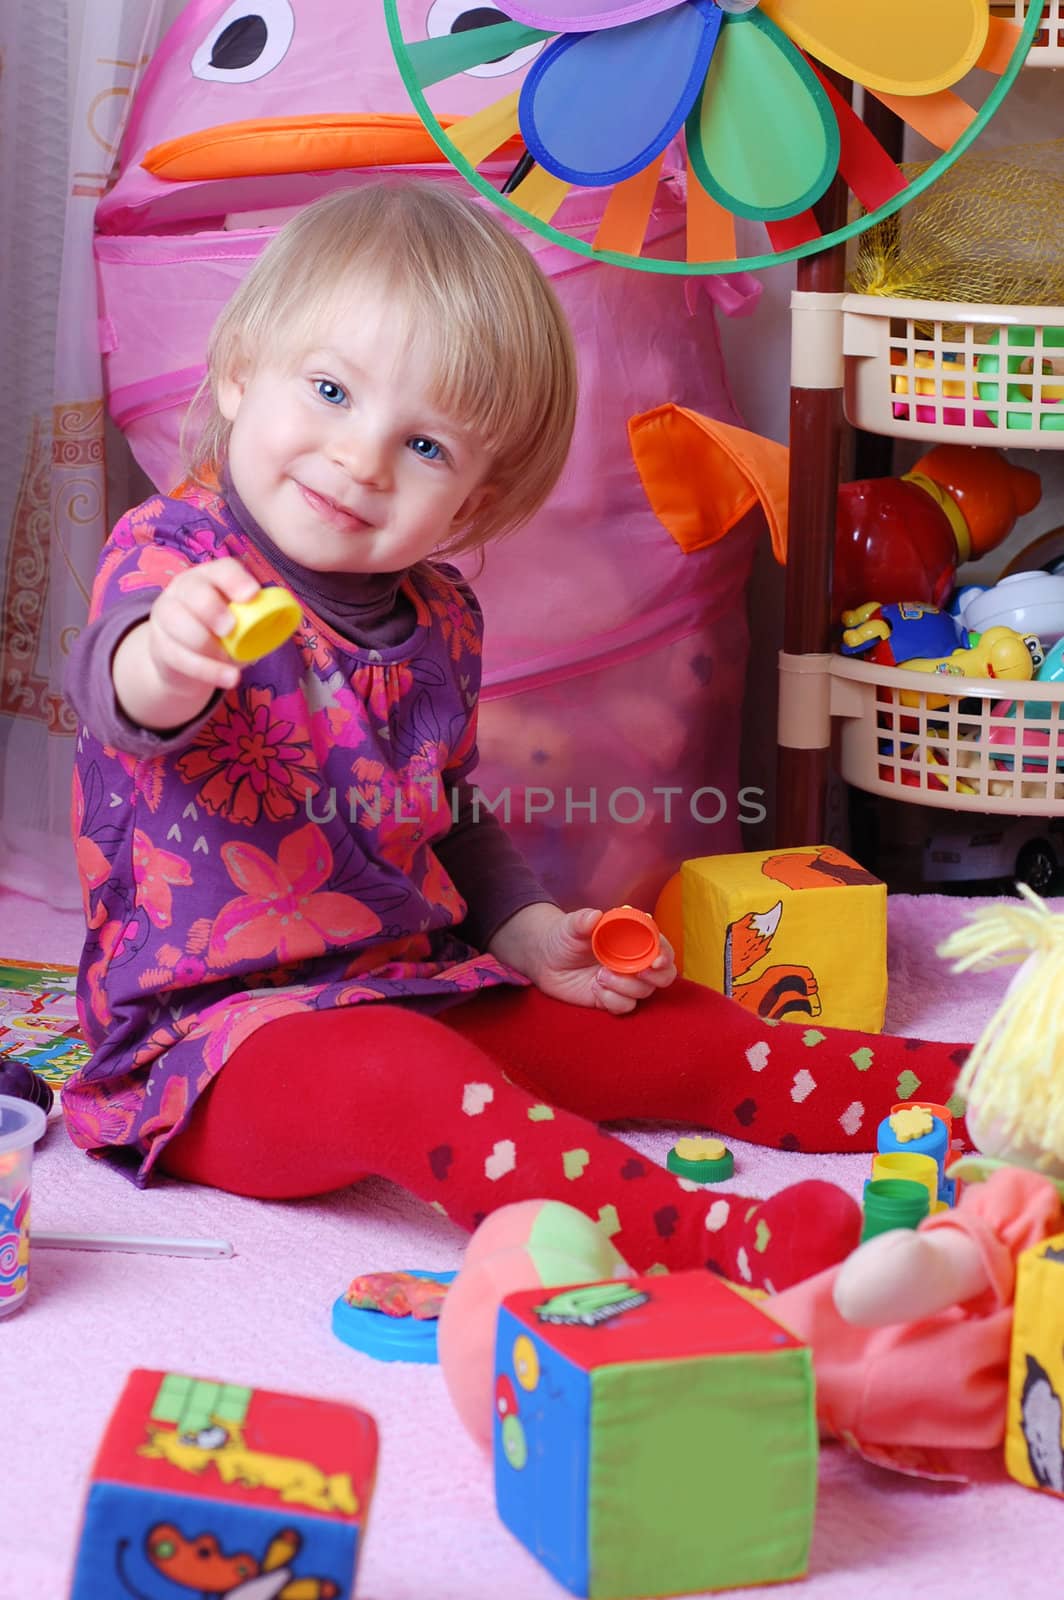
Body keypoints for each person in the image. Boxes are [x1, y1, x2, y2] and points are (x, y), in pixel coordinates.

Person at [64, 181, 970, 1293]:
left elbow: (448, 810)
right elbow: (122, 695)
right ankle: (706, 1240)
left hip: (411, 978)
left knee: (670, 1026)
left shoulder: (440, 614)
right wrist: (166, 657)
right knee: (410, 1080)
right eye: (331, 390)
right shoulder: (173, 558)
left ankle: (971, 1096)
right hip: (211, 1046)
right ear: (241, 371)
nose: (360, 457)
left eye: (427, 445)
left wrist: (530, 929)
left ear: (476, 504)